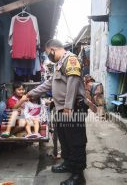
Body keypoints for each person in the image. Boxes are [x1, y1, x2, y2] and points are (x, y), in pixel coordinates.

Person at [27, 39, 88, 185]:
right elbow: (49, 83)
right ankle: (68, 163)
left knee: (76, 141)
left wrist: (68, 107)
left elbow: (73, 83)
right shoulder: (59, 63)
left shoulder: (71, 59)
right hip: (61, 109)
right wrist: (32, 93)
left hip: (72, 109)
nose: (49, 56)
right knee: (64, 139)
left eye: (48, 53)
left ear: (53, 49)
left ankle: (78, 176)